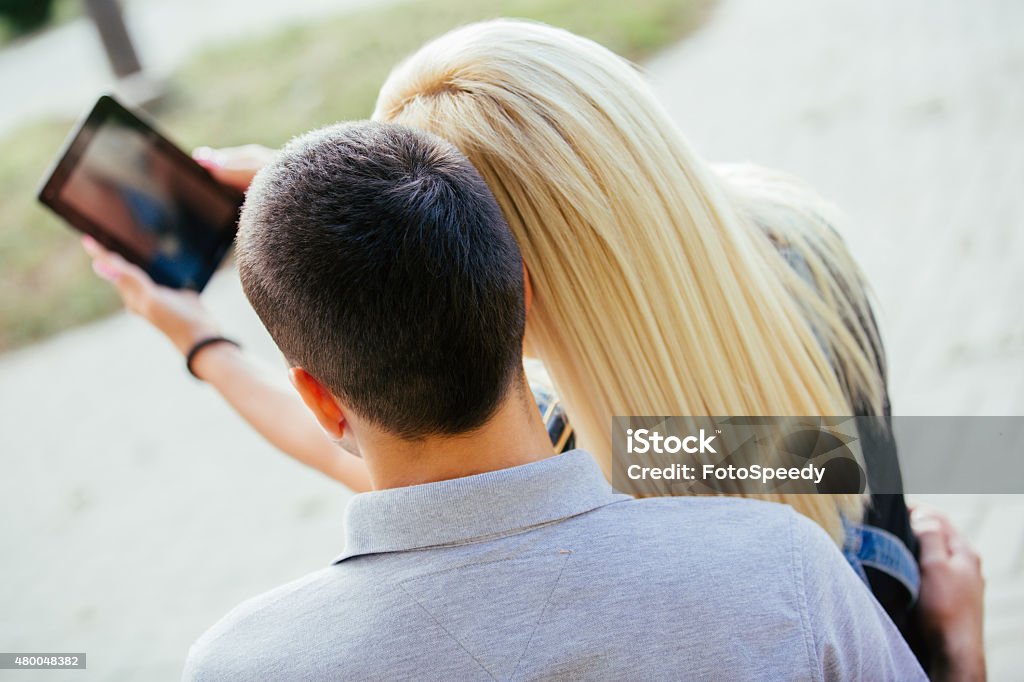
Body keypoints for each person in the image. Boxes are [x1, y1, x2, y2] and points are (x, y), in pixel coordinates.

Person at [83, 19, 963, 663]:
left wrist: (205, 346)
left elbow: (401, 457)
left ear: (520, 285)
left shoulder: (625, 458)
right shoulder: (800, 249)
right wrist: (330, 209)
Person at [181, 120, 924, 680]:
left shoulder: (236, 663)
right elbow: (950, 452)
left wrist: (215, 337)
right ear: (524, 295)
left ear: (319, 395)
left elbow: (410, 484)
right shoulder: (771, 550)